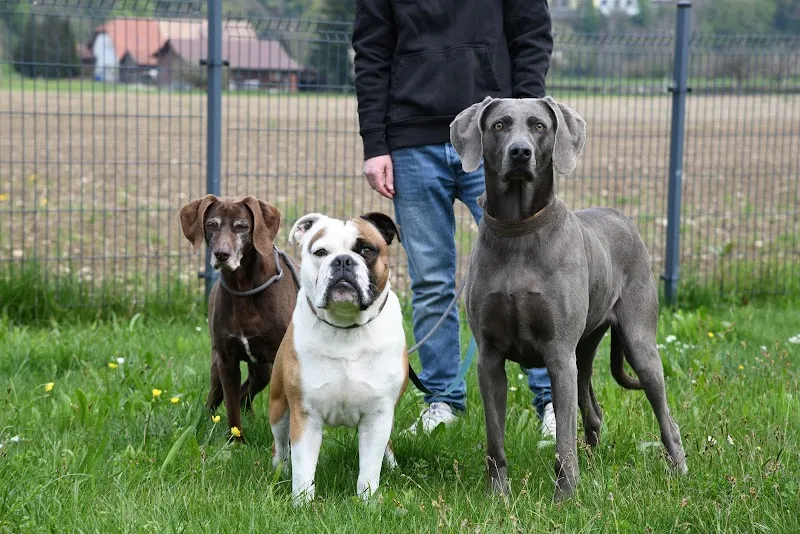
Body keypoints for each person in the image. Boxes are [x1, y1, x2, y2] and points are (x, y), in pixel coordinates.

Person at [352, 0, 557, 441]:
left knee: (535, 270)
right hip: (411, 140)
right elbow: (370, 51)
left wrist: (520, 118)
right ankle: (443, 399)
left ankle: (552, 399)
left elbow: (531, 34)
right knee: (431, 281)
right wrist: (375, 143)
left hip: (494, 136)